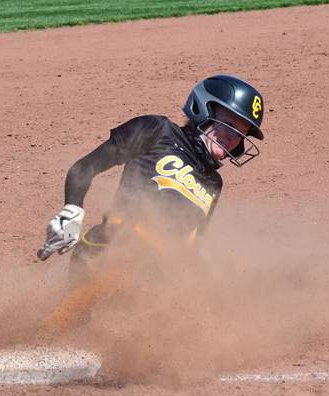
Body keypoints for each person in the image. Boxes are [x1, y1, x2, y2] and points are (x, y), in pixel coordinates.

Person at [37, 75, 265, 309]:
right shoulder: (158, 130)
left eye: (240, 133)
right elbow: (85, 167)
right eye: (229, 124)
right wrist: (72, 209)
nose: (233, 138)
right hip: (112, 249)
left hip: (154, 279)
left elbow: (190, 247)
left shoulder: (213, 183)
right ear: (203, 109)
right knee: (76, 315)